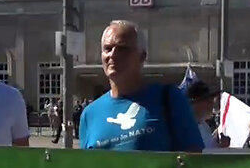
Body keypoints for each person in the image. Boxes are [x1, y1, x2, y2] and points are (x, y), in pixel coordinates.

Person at [78, 20, 203, 152]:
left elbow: (193, 161)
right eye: (108, 49)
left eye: (122, 49)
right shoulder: (89, 114)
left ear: (142, 56)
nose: (113, 55)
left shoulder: (169, 99)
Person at [185, 80, 223, 150]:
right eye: (208, 100)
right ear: (196, 102)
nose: (212, 103)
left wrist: (221, 146)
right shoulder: (186, 129)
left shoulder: (204, 126)